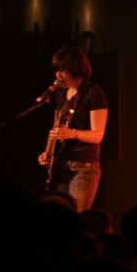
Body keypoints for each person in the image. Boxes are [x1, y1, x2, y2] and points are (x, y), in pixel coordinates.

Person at [37, 46, 108, 212]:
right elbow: (56, 127)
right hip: (61, 167)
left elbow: (98, 135)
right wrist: (47, 152)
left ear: (75, 69)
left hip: (83, 168)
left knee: (76, 218)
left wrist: (72, 134)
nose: (58, 75)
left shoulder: (94, 93)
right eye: (57, 70)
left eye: (63, 70)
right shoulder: (61, 93)